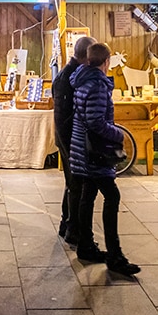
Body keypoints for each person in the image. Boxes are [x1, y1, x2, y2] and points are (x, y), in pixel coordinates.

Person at [69, 42, 141, 276]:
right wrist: (118, 134)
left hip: (82, 148)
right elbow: (96, 121)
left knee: (87, 196)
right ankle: (115, 255)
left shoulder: (80, 80)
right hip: (95, 153)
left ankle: (86, 246)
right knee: (112, 196)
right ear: (107, 61)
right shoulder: (97, 85)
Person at [51, 34, 96, 242]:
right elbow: (63, 117)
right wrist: (72, 145)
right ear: (86, 56)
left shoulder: (71, 74)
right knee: (76, 185)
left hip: (69, 138)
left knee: (72, 184)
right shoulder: (67, 78)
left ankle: (66, 224)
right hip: (69, 139)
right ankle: (72, 230)